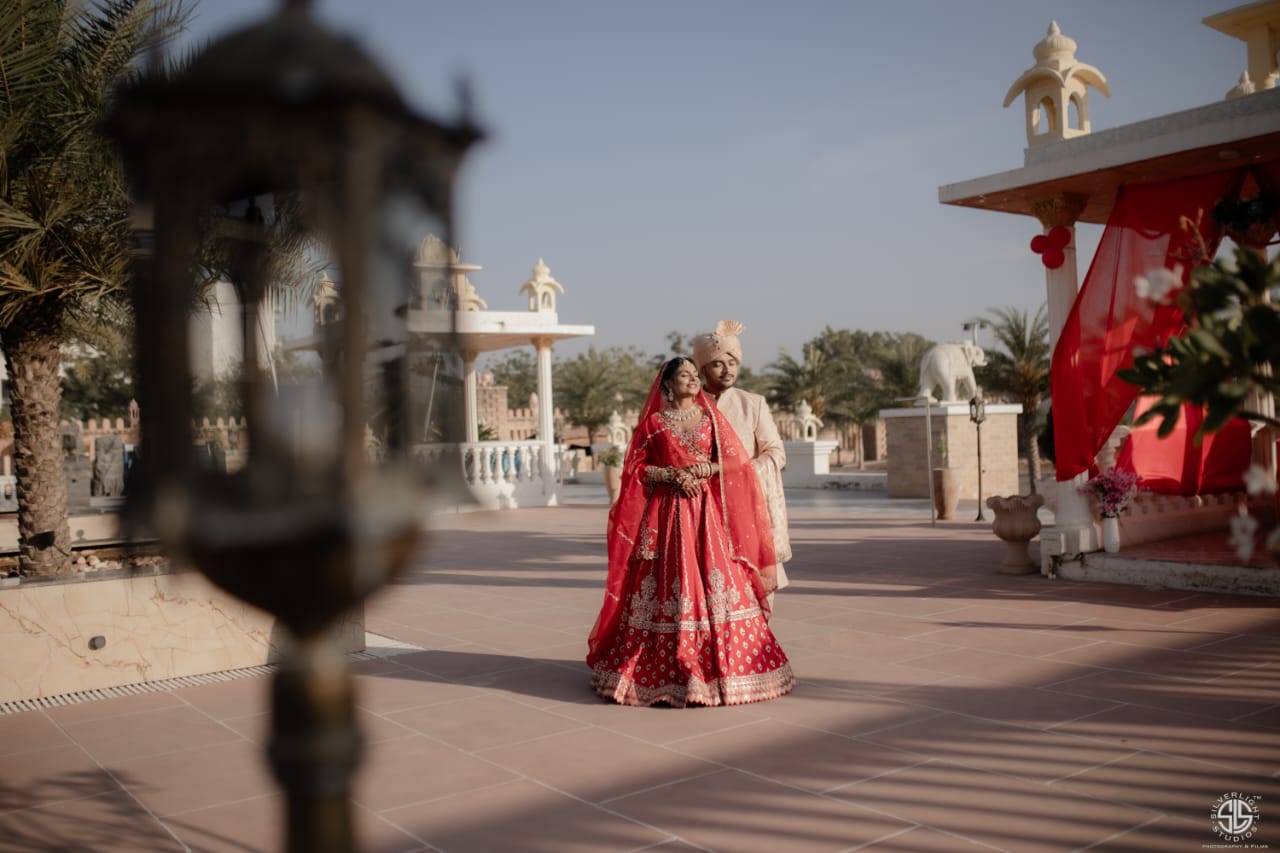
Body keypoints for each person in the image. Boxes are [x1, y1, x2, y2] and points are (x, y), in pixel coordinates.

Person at [586, 357, 794, 707]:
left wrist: (702, 468)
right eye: (685, 375)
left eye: (695, 375)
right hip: (666, 514)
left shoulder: (711, 418)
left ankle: (726, 668)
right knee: (667, 582)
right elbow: (637, 469)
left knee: (715, 579)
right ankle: (658, 671)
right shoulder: (653, 423)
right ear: (667, 384)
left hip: (704, 513)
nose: (694, 380)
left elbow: (735, 462)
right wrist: (670, 474)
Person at [692, 320, 791, 599]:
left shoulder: (753, 403)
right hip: (702, 508)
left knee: (755, 587)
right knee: (708, 588)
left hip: (747, 505)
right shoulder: (690, 406)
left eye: (733, 362)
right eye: (718, 364)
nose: (728, 370)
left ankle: (755, 641)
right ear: (702, 368)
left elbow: (776, 452)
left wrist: (740, 471)